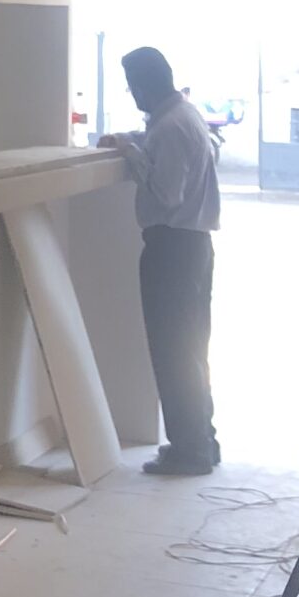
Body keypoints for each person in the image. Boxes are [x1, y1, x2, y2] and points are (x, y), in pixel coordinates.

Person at [99, 46, 221, 475]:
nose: (132, 95)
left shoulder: (170, 128)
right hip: (193, 247)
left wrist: (131, 155)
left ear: (143, 85)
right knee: (191, 349)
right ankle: (201, 441)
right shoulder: (182, 116)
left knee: (173, 351)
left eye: (131, 87)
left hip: (171, 247)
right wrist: (130, 142)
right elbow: (156, 144)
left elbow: (167, 195)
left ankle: (190, 451)